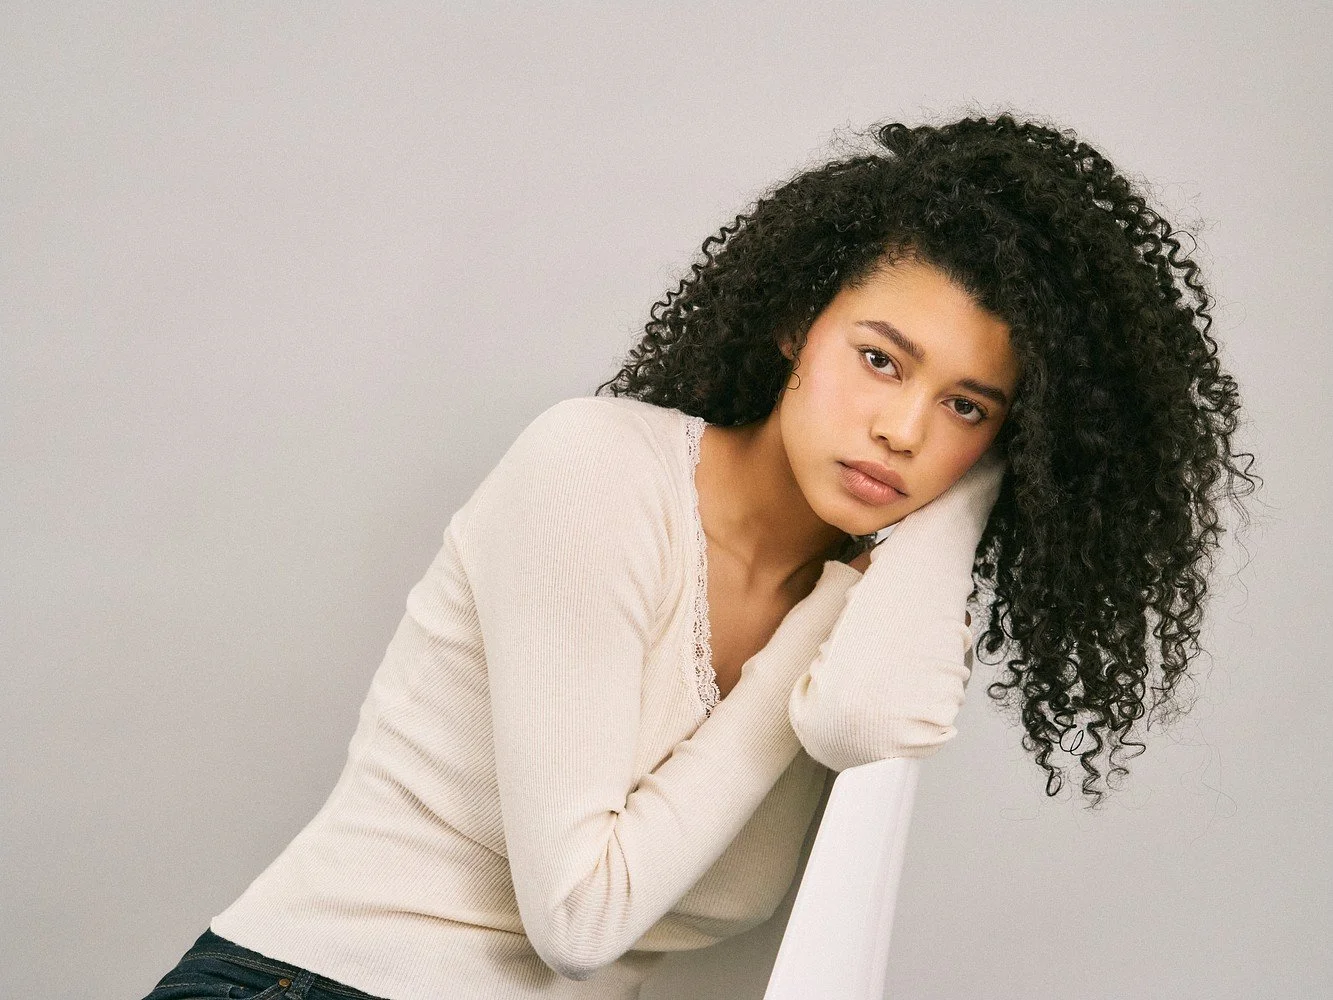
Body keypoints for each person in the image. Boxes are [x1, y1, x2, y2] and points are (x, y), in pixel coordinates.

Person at [141, 112, 1258, 1000]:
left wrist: (966, 500)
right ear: (795, 323)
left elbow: (858, 717)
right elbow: (579, 921)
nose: (904, 430)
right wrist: (831, 608)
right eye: (880, 359)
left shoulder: (878, 609)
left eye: (966, 406)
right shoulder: (595, 471)